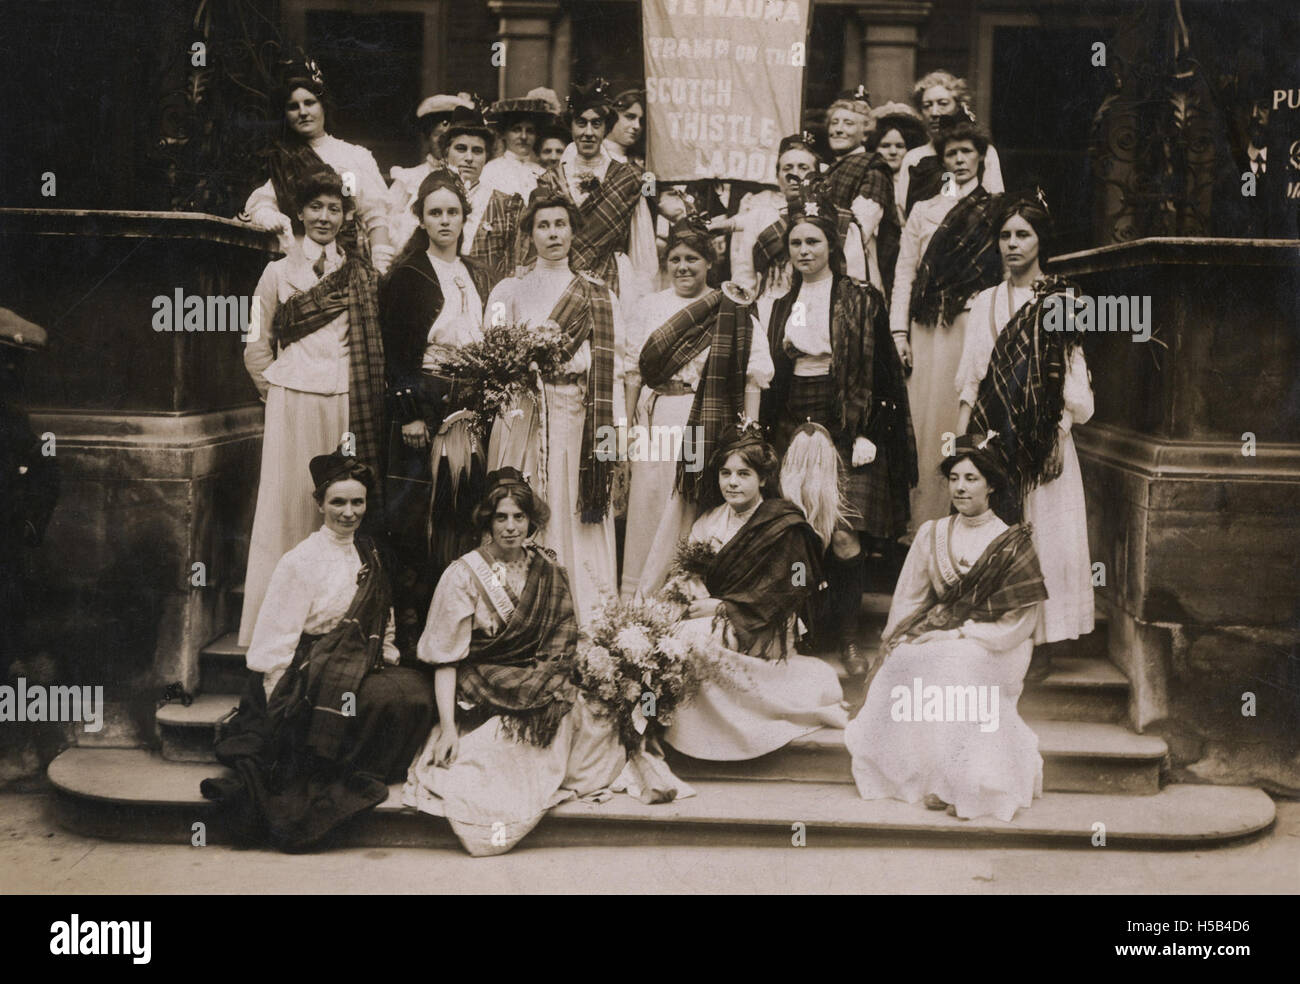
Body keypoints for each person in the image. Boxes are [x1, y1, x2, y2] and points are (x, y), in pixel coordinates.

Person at [202, 452, 434, 851]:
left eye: (357, 502)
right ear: (320, 504)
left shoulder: (370, 553)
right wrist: (279, 701)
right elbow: (276, 639)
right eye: (338, 503)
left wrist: (387, 654)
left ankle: (372, 766)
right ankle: (337, 764)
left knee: (414, 690)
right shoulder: (300, 562)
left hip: (361, 659)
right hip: (306, 667)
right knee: (373, 700)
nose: (348, 512)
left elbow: (383, 617)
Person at [402, 469, 629, 855]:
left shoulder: (549, 570)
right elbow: (446, 660)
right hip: (486, 684)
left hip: (542, 682)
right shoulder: (463, 575)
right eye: (501, 518)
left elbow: (562, 636)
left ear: (531, 520)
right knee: (495, 758)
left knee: (596, 723)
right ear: (487, 521)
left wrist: (549, 678)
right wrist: (448, 728)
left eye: (518, 517)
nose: (510, 528)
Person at [843, 434, 1047, 822]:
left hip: (998, 645)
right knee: (905, 660)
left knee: (957, 666)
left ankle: (970, 783)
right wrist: (899, 635)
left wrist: (959, 634)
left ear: (991, 485)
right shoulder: (933, 533)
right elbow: (910, 596)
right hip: (943, 633)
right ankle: (925, 773)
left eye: (971, 478)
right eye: (954, 478)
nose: (960, 487)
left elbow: (1020, 621)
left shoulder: (1010, 542)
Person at [760, 189, 916, 674]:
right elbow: (771, 379)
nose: (804, 251)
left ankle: (849, 640)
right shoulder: (781, 305)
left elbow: (885, 375)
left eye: (813, 242)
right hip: (794, 421)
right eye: (795, 244)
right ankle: (804, 632)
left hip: (849, 421)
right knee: (799, 533)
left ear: (832, 245)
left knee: (845, 537)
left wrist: (871, 430)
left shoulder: (862, 299)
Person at [239, 170, 387, 646]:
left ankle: (333, 619)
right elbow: (255, 341)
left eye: (334, 209)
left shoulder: (360, 275)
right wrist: (274, 390)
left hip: (344, 400)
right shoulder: (277, 271)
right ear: (300, 213)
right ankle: (275, 625)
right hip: (291, 400)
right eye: (316, 208)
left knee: (338, 504)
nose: (325, 217)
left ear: (346, 217)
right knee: (285, 504)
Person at [958, 195, 1096, 655]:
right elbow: (972, 376)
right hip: (994, 432)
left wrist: (1058, 437)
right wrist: (962, 448)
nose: (1013, 244)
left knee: (1045, 533)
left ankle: (1042, 641)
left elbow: (1071, 375)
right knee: (996, 528)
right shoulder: (984, 302)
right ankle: (1000, 630)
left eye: (1023, 235)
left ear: (1041, 241)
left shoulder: (1062, 299)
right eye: (1005, 236)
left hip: (1043, 437)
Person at [661, 424, 848, 761]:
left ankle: (718, 735)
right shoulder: (710, 520)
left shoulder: (783, 523)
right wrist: (687, 586)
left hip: (761, 620)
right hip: (708, 614)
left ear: (762, 479)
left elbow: (795, 583)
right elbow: (687, 570)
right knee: (669, 634)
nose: (732, 482)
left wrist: (723, 607)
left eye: (743, 474)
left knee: (691, 638)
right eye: (725, 473)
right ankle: (687, 730)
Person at [484, 191, 628, 625]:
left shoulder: (600, 295)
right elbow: (491, 358)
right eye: (543, 225)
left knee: (577, 506)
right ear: (529, 234)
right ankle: (523, 615)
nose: (552, 233)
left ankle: (588, 615)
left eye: (560, 224)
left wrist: (614, 437)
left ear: (573, 231)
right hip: (524, 413)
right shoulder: (508, 291)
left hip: (579, 415)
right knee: (527, 499)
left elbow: (616, 369)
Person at [621, 216, 774, 600]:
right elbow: (631, 374)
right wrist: (625, 431)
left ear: (709, 263)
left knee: (687, 507)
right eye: (675, 259)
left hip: (704, 418)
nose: (683, 267)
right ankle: (641, 595)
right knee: (650, 503)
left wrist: (748, 435)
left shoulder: (732, 307)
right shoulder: (648, 307)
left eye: (692, 258)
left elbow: (754, 376)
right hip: (655, 417)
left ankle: (683, 592)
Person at [380, 168, 493, 657]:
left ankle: (460, 623)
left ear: (465, 217)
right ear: (422, 220)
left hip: (471, 402)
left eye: (453, 212)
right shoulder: (408, 276)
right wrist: (409, 413)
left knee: (462, 509)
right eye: (435, 213)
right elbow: (397, 354)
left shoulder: (477, 271)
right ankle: (410, 627)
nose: (445, 220)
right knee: (415, 515)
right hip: (425, 403)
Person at [891, 122, 1004, 532]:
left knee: (959, 417)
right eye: (951, 154)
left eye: (966, 153)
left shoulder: (994, 208)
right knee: (924, 426)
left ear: (979, 157)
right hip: (925, 328)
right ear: (942, 160)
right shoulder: (924, 210)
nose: (958, 160)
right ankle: (919, 527)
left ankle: (964, 524)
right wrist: (898, 333)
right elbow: (904, 273)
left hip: (968, 325)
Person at [242, 56, 393, 272]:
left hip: (349, 262)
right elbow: (260, 205)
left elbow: (376, 216)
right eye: (293, 107)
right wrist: (273, 217)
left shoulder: (354, 156)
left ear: (323, 105)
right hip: (298, 262)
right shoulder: (281, 157)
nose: (303, 112)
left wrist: (381, 267)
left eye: (310, 103)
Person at [533, 78, 656, 305]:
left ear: (606, 129)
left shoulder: (627, 179)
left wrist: (643, 294)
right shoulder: (550, 179)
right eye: (581, 123)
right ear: (571, 127)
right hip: (560, 277)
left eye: (596, 124)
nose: (588, 132)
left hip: (610, 278)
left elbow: (641, 244)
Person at [739, 133, 867, 323]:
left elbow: (855, 278)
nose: (795, 174)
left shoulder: (839, 219)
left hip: (823, 308)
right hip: (771, 308)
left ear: (817, 176)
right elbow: (744, 276)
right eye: (787, 168)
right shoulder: (759, 217)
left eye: (803, 167)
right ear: (777, 176)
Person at [0, 309, 58, 680]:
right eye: (7, 363)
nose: (11, 373)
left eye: (15, 365)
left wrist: (30, 523)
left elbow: (47, 474)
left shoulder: (17, 421)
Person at [820, 87, 900, 295]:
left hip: (855, 271)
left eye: (848, 123)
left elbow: (858, 229)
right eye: (834, 123)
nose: (838, 130)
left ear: (865, 134)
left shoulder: (874, 169)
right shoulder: (824, 171)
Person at [897, 71, 1005, 220]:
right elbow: (902, 212)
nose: (934, 112)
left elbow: (996, 201)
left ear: (958, 107)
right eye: (927, 106)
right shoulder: (914, 158)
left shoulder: (983, 151)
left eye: (943, 103)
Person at [440, 105, 525, 289]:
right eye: (461, 149)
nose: (469, 158)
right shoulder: (429, 197)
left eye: (477, 151)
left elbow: (516, 266)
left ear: (487, 157)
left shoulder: (508, 206)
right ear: (447, 153)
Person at [385, 92, 475, 248]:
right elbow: (388, 225)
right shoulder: (408, 180)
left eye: (451, 139)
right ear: (428, 138)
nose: (444, 143)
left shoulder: (471, 178)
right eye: (439, 136)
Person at [481, 89, 560, 200]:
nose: (523, 137)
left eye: (529, 131)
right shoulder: (490, 171)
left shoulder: (542, 173)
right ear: (503, 134)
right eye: (516, 130)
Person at [866, 102, 930, 227]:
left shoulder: (918, 180)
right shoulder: (870, 179)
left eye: (900, 146)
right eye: (885, 146)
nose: (893, 152)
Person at [603, 86, 646, 169]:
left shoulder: (639, 160)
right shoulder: (597, 156)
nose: (637, 126)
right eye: (630, 117)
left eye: (641, 121)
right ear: (612, 117)